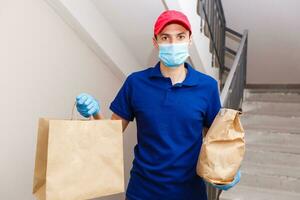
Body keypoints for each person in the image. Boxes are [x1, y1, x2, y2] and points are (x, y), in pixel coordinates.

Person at [75, 10, 239, 200]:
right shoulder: (136, 83)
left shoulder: (207, 86)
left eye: (180, 37)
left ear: (190, 40)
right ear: (155, 42)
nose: (173, 44)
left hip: (190, 193)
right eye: (165, 37)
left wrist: (225, 171)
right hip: (142, 192)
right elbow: (107, 135)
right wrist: (94, 113)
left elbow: (215, 141)